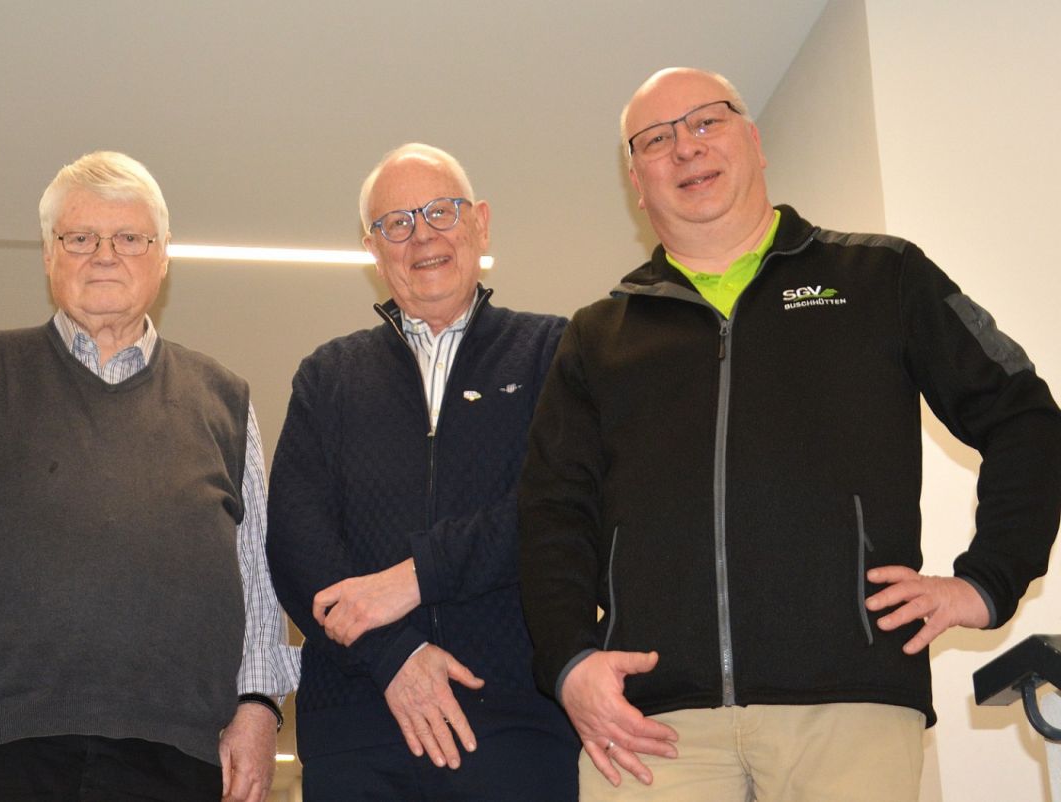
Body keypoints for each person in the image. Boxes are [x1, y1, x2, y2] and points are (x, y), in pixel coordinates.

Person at [517, 67, 1061, 801]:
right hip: (652, 726)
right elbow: (551, 514)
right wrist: (568, 662)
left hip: (849, 710)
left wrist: (987, 582)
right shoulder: (597, 337)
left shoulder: (882, 276)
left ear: (754, 140)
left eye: (706, 121)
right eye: (656, 139)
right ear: (636, 182)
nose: (685, 148)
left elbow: (1025, 416)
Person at [0, 150, 298, 802]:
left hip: (177, 755)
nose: (105, 255)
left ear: (162, 257)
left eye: (129, 238)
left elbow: (258, 579)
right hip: (0, 746)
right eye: (80, 238)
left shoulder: (224, 402)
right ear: (49, 255)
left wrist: (258, 707)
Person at [267, 143, 578, 800]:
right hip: (358, 729)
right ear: (372, 250)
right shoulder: (327, 377)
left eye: (441, 211)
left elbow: (557, 508)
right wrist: (392, 656)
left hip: (516, 725)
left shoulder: (553, 352)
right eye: (396, 223)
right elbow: (296, 542)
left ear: (481, 222)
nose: (422, 236)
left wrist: (419, 576)